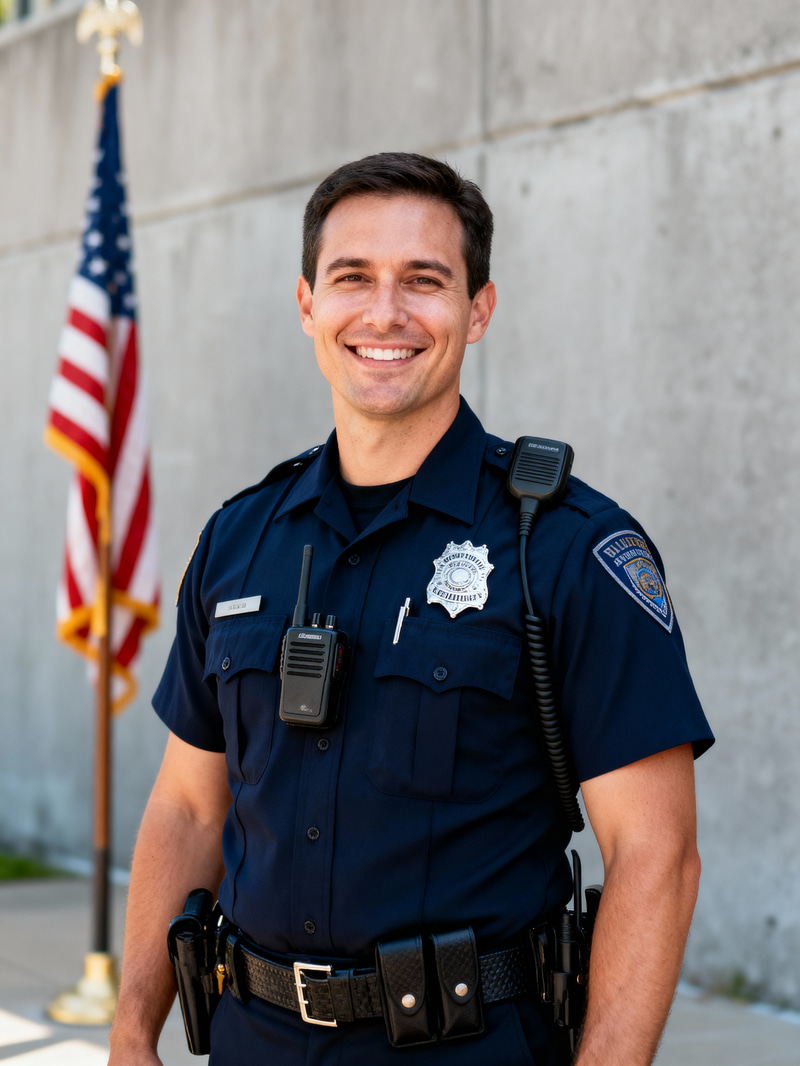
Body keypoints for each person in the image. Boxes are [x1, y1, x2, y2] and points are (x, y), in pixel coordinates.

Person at [108, 152, 713, 1066]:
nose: (384, 313)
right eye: (353, 278)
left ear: (478, 310)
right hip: (251, 1041)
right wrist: (129, 1035)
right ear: (308, 303)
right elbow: (188, 810)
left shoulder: (565, 548)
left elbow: (656, 858)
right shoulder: (239, 539)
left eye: (424, 282)